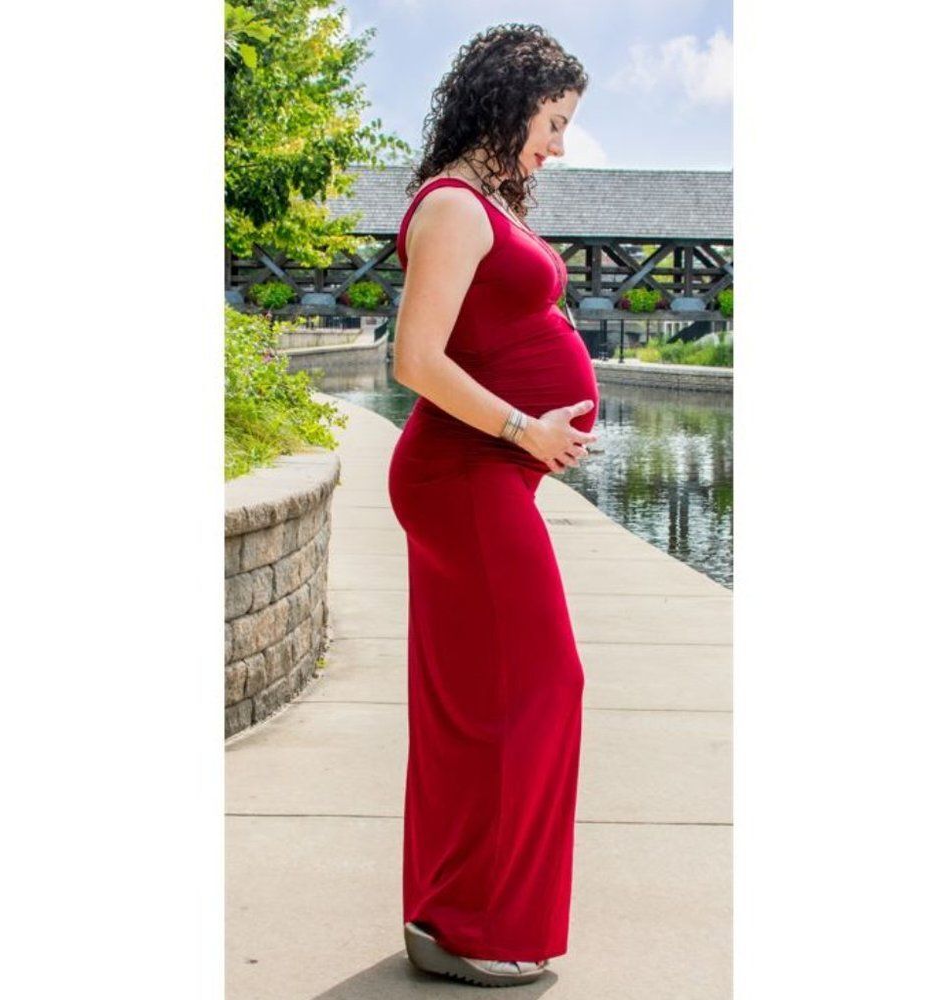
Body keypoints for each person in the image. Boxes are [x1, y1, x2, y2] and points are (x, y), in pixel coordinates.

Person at [387, 23, 599, 988]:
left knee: (474, 702)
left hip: (486, 477)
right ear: (510, 103)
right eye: (552, 123)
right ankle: (474, 923)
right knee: (540, 686)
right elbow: (416, 361)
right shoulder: (453, 209)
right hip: (463, 477)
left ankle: (450, 915)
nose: (556, 145)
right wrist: (525, 429)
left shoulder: (480, 202)